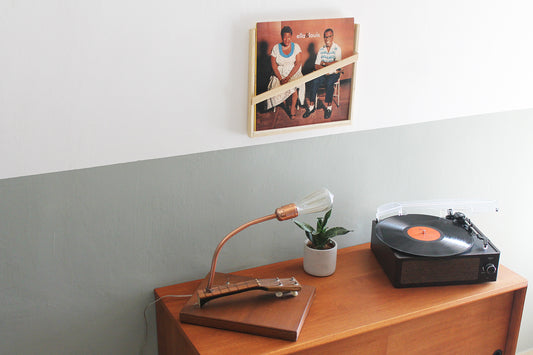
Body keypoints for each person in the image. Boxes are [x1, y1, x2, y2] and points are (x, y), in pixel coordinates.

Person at [266, 26, 305, 119]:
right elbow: (274, 66)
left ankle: (292, 109)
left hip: (293, 72)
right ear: (281, 37)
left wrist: (288, 77)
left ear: (291, 36)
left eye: (288, 37)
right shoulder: (275, 48)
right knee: (275, 87)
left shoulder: (296, 47)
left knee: (293, 86)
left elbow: (298, 63)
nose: (286, 39)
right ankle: (284, 102)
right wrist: (280, 78)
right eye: (284, 37)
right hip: (279, 73)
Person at [303, 28, 342, 119]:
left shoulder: (337, 48)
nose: (327, 39)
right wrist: (326, 68)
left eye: (329, 36)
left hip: (334, 73)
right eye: (325, 37)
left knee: (329, 83)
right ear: (324, 38)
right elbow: (316, 65)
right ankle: (311, 107)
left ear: (332, 37)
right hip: (323, 73)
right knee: (314, 80)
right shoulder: (321, 50)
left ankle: (329, 108)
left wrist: (324, 63)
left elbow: (337, 64)